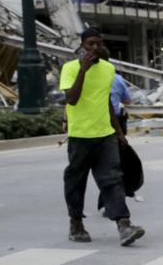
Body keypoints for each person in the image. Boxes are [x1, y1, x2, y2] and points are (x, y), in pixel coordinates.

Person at [60, 27, 145, 247]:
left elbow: (106, 101)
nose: (95, 48)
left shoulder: (108, 69)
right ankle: (76, 223)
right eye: (91, 44)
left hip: (105, 135)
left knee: (113, 179)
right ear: (82, 46)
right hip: (80, 136)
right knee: (76, 181)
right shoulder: (69, 68)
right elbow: (72, 99)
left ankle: (124, 225)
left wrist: (118, 132)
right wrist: (83, 70)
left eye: (99, 44)